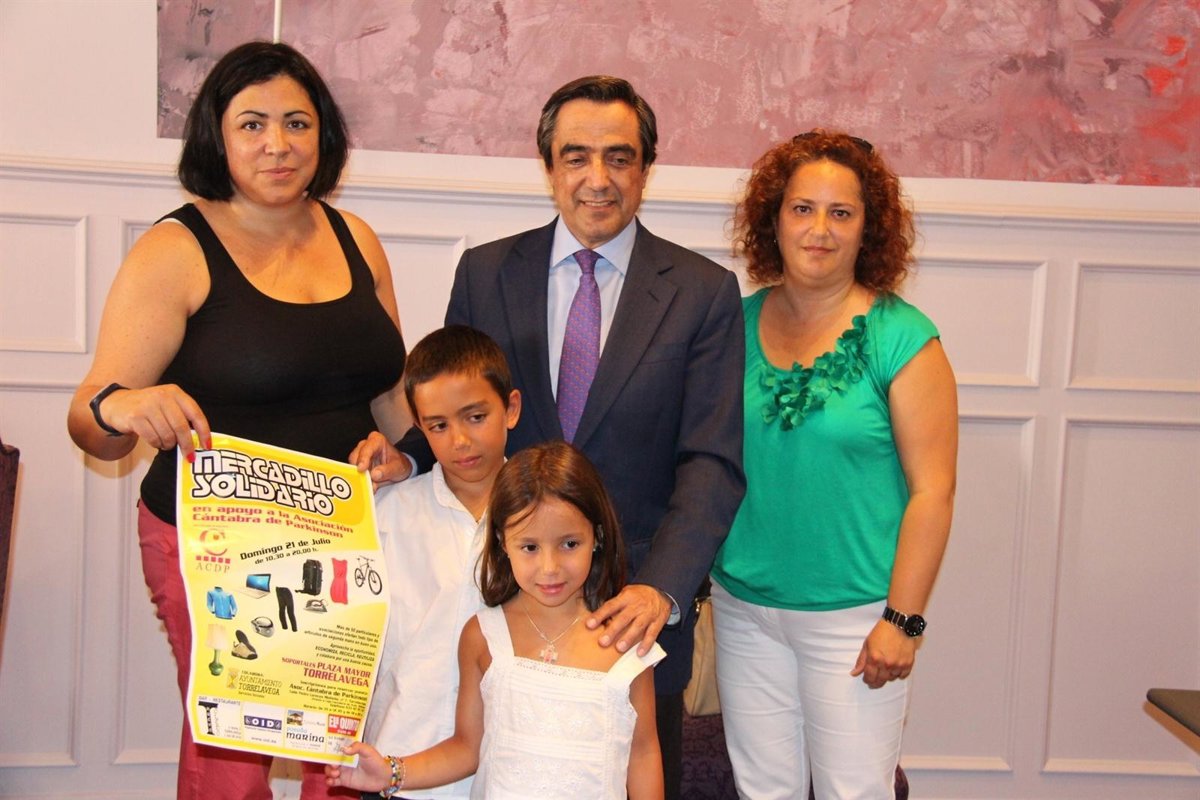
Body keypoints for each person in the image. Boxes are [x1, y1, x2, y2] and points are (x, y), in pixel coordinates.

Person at [352, 75, 745, 798]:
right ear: (549, 166)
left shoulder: (703, 292)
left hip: (632, 614)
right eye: (576, 156)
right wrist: (405, 455)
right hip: (506, 602)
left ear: (646, 168)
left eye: (620, 157)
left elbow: (712, 463)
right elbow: (458, 392)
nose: (598, 178)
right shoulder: (487, 272)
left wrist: (661, 589)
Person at [65, 41, 409, 800]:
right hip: (216, 544)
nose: (277, 144)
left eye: (297, 123)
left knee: (344, 751)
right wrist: (123, 405)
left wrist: (408, 455)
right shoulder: (174, 249)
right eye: (252, 124)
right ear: (216, 137)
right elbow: (91, 418)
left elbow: (393, 397)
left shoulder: (357, 239)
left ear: (324, 135)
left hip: (344, 541)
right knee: (230, 758)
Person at [709, 129, 958, 799]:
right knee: (763, 791)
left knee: (855, 791)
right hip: (743, 609)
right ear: (774, 219)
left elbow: (933, 493)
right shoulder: (732, 325)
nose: (819, 229)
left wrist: (903, 621)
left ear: (867, 229)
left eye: (841, 213)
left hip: (856, 621)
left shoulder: (903, 338)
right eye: (802, 208)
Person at [329, 441, 664, 799]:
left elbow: (643, 753)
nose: (550, 568)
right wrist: (391, 772)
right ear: (503, 542)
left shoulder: (625, 639)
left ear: (596, 537)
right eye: (530, 547)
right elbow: (466, 748)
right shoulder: (484, 634)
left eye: (569, 544)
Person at [366, 325, 521, 800]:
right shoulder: (386, 512)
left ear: (511, 409)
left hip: (510, 771)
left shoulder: (544, 517)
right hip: (399, 760)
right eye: (438, 426)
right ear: (419, 426)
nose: (459, 440)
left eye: (476, 416)